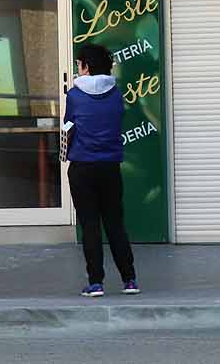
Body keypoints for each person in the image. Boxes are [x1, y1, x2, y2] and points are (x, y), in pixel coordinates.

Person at [64, 42, 139, 297]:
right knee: (115, 223)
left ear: (86, 65)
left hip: (82, 166)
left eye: (79, 63)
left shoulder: (74, 95)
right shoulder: (116, 93)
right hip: (110, 166)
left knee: (90, 224)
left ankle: (96, 282)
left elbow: (68, 127)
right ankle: (130, 279)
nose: (78, 68)